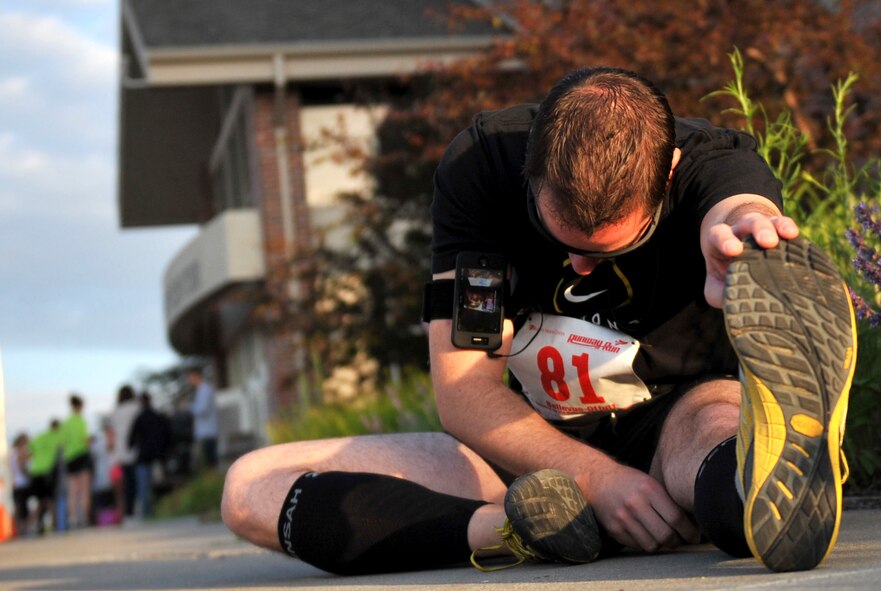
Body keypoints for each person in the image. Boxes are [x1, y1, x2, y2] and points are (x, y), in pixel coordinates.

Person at [221, 67, 856, 575]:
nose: (579, 267)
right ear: (530, 165)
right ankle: (524, 532)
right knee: (250, 488)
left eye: (606, 250)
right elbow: (465, 390)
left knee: (719, 437)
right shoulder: (479, 170)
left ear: (667, 175)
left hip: (674, 420)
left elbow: (737, 201)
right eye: (562, 239)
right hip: (531, 452)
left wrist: (741, 238)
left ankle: (762, 482)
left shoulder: (708, 163)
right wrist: (598, 483)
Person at [128, 393, 172, 518]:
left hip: (143, 457)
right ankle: (161, 510)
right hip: (158, 457)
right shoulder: (158, 417)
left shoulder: (139, 418)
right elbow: (168, 436)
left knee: (144, 488)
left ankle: (147, 513)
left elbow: (131, 438)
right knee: (160, 487)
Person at [61, 394, 92, 528]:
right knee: (84, 489)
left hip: (70, 459)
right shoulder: (81, 421)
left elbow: (62, 442)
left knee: (72, 491)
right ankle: (84, 518)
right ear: (79, 406)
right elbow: (85, 440)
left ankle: (72, 518)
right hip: (81, 456)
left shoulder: (66, 423)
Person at [109, 385, 140, 519]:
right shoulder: (136, 407)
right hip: (135, 447)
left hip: (121, 450)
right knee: (137, 480)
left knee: (126, 482)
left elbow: (113, 433)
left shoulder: (116, 411)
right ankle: (138, 508)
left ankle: (128, 511)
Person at [28, 419, 62, 534]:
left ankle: (31, 527)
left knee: (39, 502)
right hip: (47, 472)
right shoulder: (57, 436)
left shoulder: (40, 436)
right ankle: (55, 526)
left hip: (36, 471)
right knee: (50, 501)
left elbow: (29, 451)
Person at [187, 368, 219, 470]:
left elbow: (202, 409)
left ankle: (212, 479)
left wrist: (188, 407)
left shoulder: (205, 390)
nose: (189, 381)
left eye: (190, 378)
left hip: (208, 431)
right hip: (205, 431)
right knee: (208, 460)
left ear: (196, 376)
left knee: (210, 461)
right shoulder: (202, 390)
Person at [10, 433, 34, 536]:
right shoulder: (21, 452)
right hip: (23, 483)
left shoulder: (13, 453)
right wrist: (29, 475)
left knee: (18, 507)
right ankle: (24, 529)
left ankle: (17, 529)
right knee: (23, 508)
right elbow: (22, 467)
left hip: (16, 483)